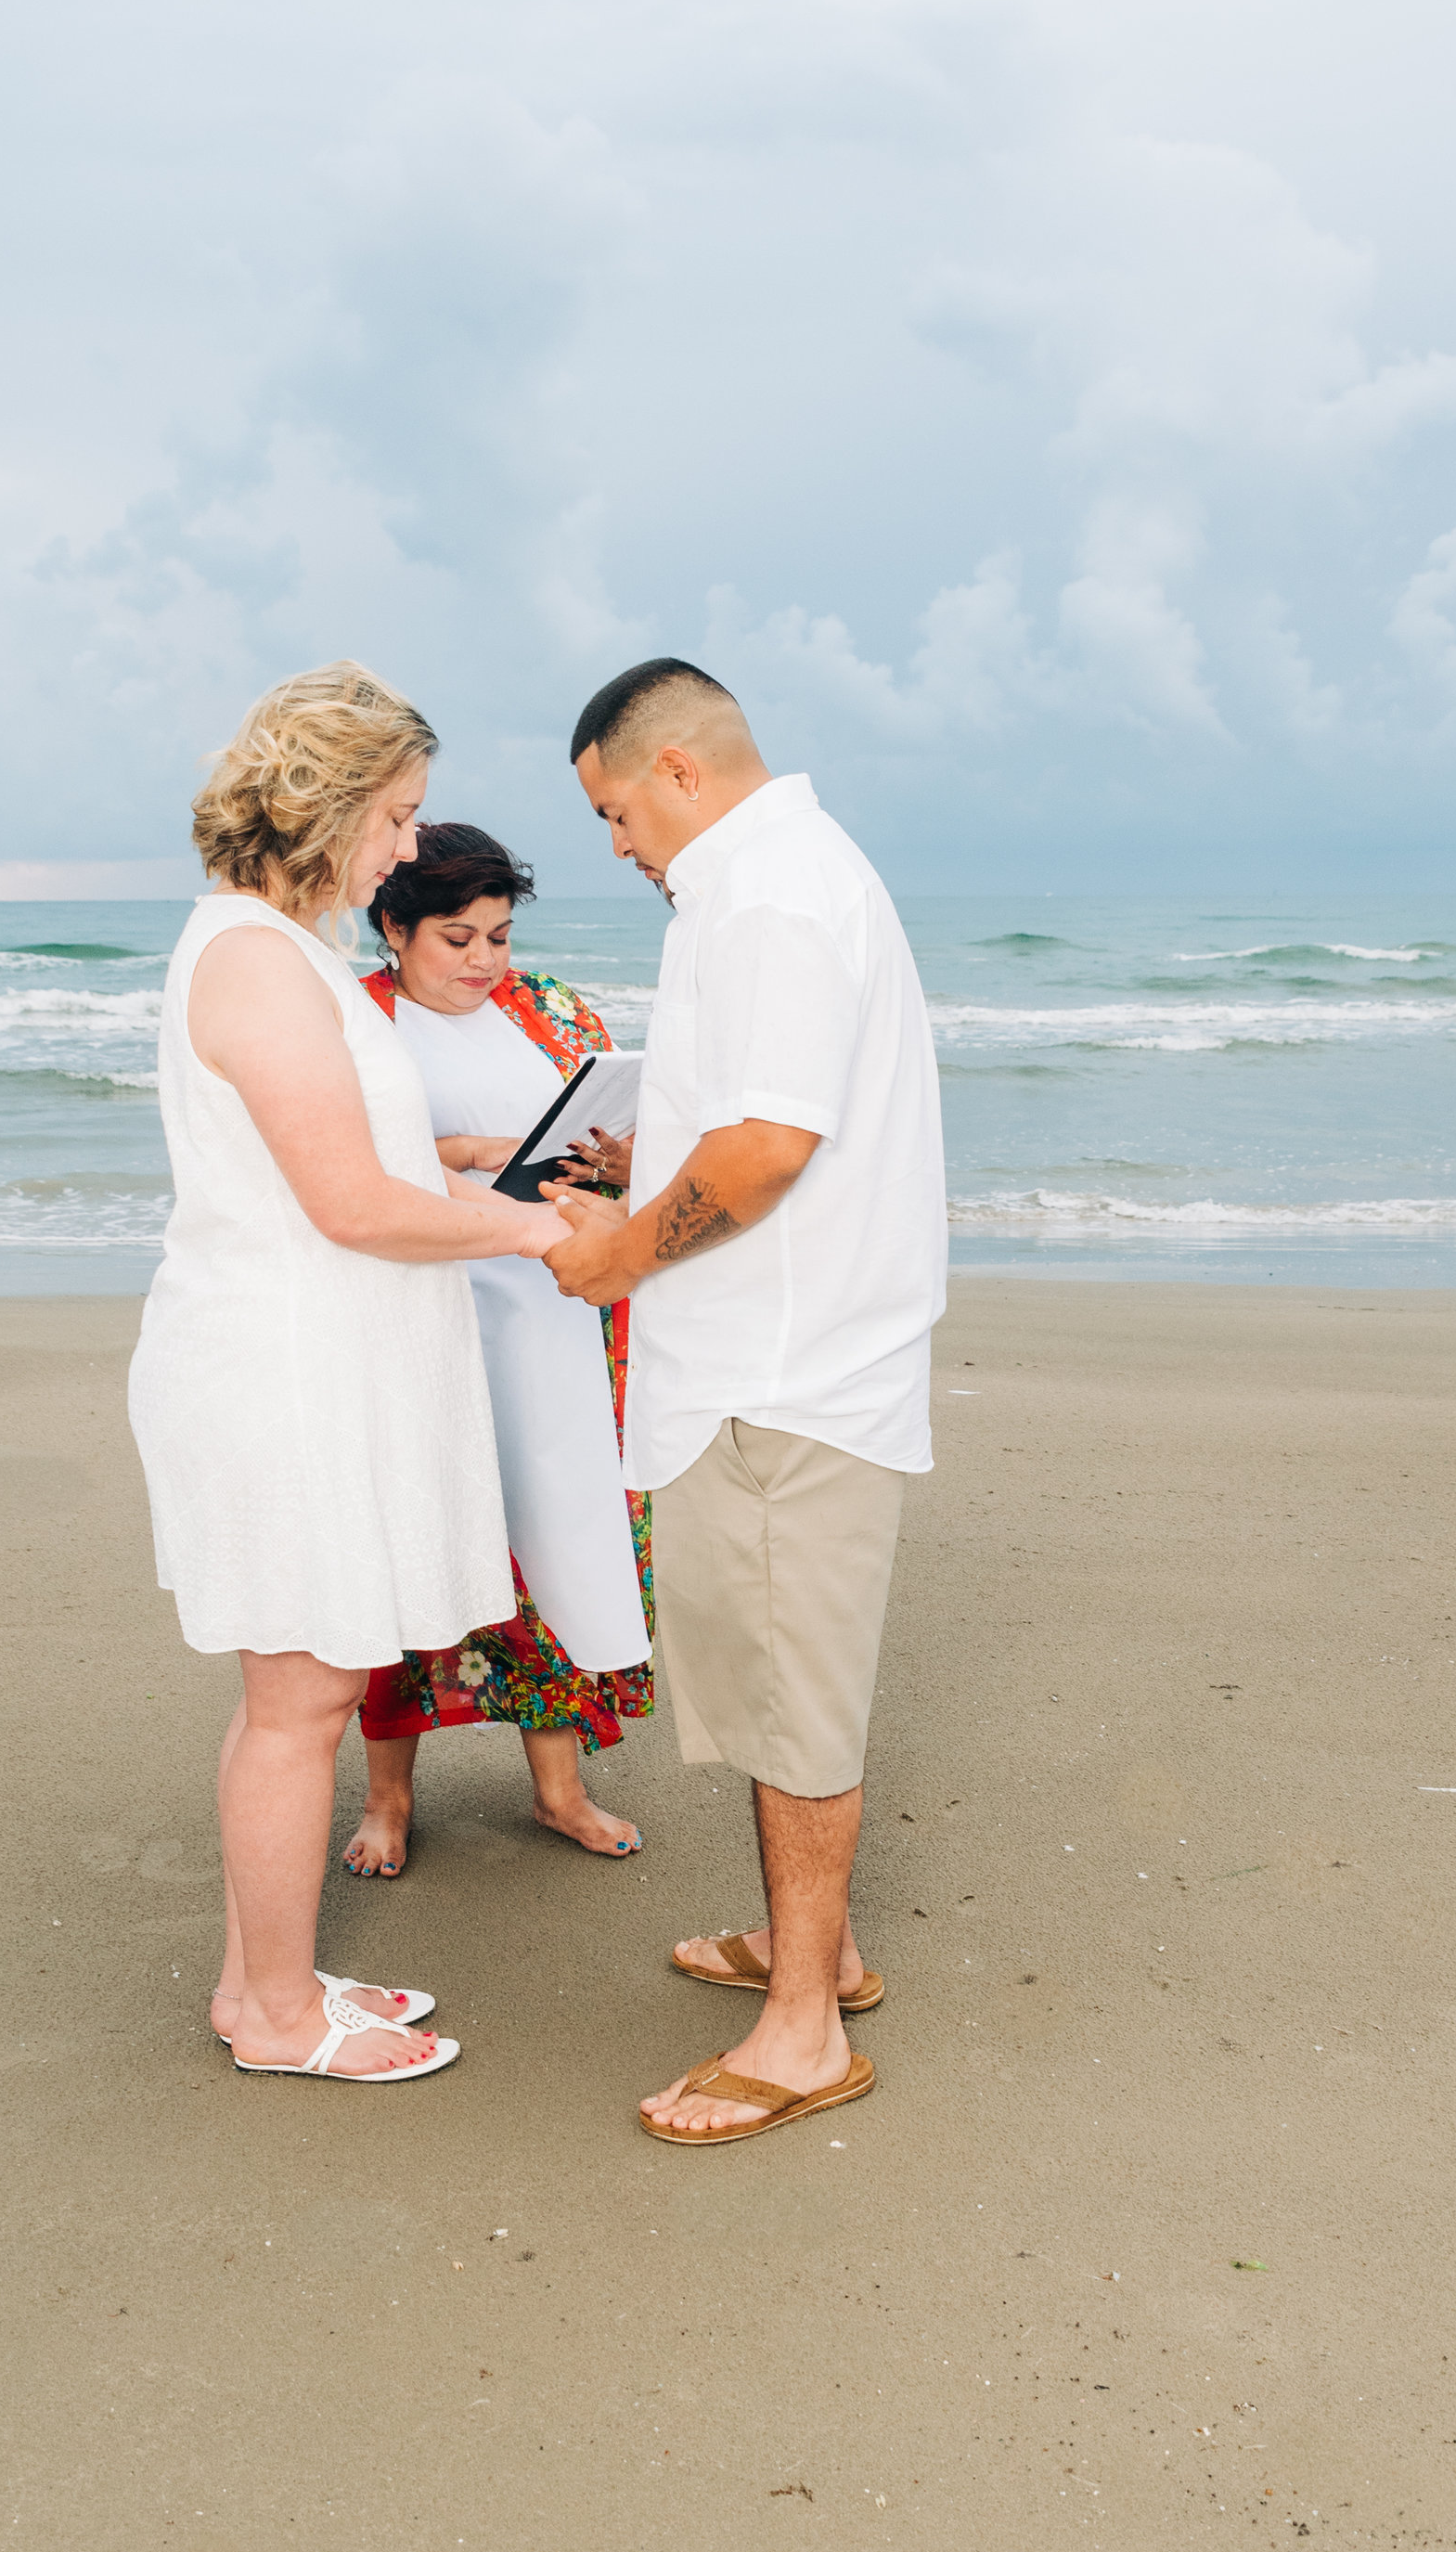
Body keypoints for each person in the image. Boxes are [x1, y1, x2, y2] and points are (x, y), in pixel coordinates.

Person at [127, 662, 567, 2085]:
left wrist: (476, 1171)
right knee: (297, 1705)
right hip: (278, 1372)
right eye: (396, 817)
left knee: (304, 1694)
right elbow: (346, 1205)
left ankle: (266, 1976)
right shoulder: (253, 958)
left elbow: (358, 1160)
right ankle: (274, 2019)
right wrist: (533, 1224)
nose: (405, 847)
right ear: (324, 809)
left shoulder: (281, 947)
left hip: (321, 1359)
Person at [540, 658, 947, 2143]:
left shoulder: (770, 891)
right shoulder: (767, 880)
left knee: (795, 1690)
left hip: (783, 1369)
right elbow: (744, 1118)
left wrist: (616, 1257)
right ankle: (811, 1947)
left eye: (613, 810)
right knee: (775, 1671)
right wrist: (639, 1169)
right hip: (772, 1359)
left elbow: (769, 1147)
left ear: (678, 773)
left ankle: (803, 2036)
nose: (615, 844)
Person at [342, 821, 654, 1875]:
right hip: (428, 1318)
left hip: (564, 1315)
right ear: (393, 928)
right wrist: (467, 1152)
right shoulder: (355, 1024)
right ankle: (386, 1800)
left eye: (500, 937)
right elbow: (330, 1164)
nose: (485, 962)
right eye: (457, 938)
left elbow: (618, 1140)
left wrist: (618, 1160)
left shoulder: (553, 1009)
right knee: (414, 1548)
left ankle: (559, 1790)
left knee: (558, 1542)